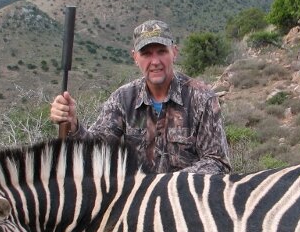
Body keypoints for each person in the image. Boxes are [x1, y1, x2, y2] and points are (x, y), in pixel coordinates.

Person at [50, 19, 231, 174]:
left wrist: (167, 186)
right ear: (135, 57)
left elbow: (218, 162)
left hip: (186, 206)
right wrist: (73, 125)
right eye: (146, 54)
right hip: (136, 208)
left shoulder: (202, 97)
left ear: (174, 52)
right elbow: (95, 152)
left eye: (161, 51)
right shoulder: (122, 99)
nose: (155, 61)